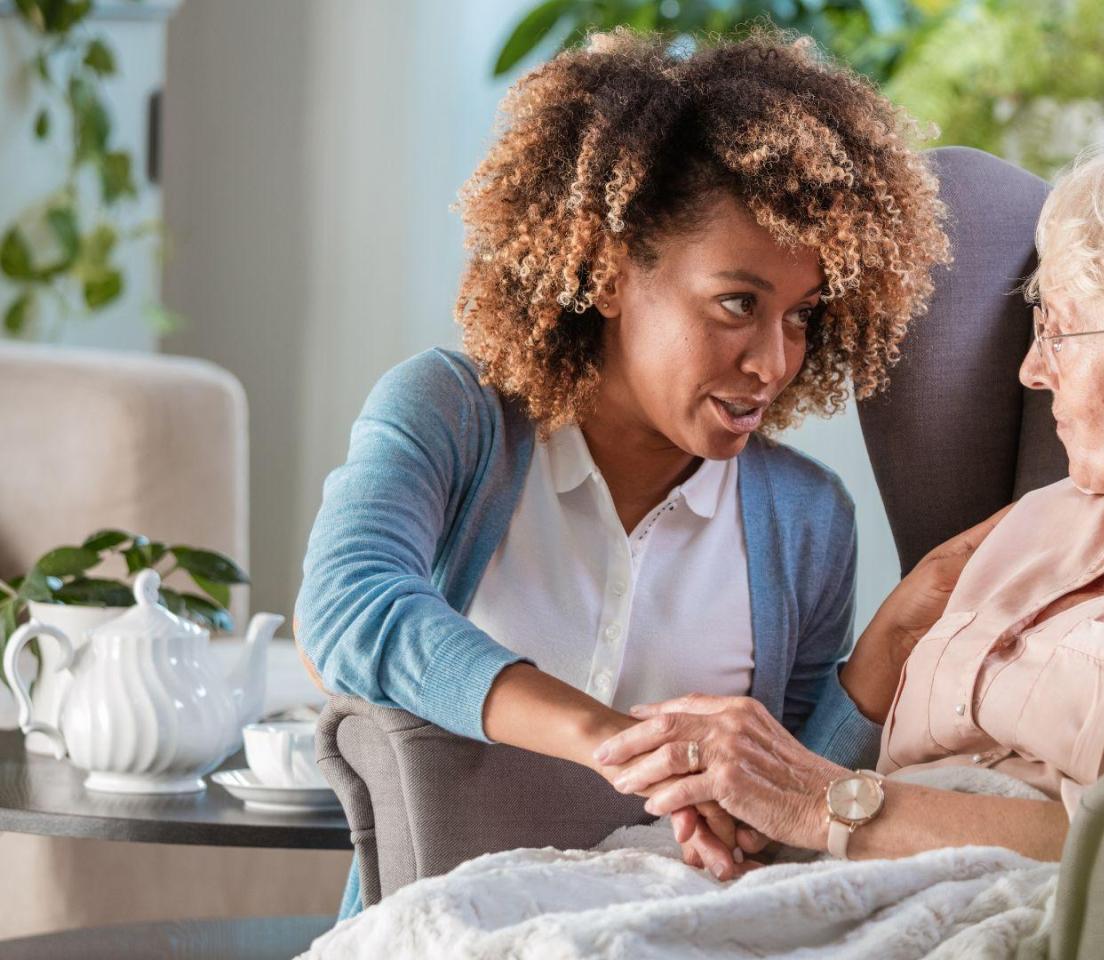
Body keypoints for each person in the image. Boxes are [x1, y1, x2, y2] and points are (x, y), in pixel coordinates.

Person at [596, 127, 1104, 866]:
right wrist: (757, 812)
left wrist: (819, 806)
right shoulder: (1045, 518)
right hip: (838, 872)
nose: (1033, 371)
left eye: (1059, 332)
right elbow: (850, 785)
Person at [293, 27, 951, 920]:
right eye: (736, 304)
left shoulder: (807, 517)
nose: (773, 362)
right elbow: (348, 607)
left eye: (803, 316)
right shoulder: (450, 417)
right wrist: (619, 741)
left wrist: (891, 640)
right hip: (433, 932)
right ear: (608, 272)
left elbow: (785, 813)